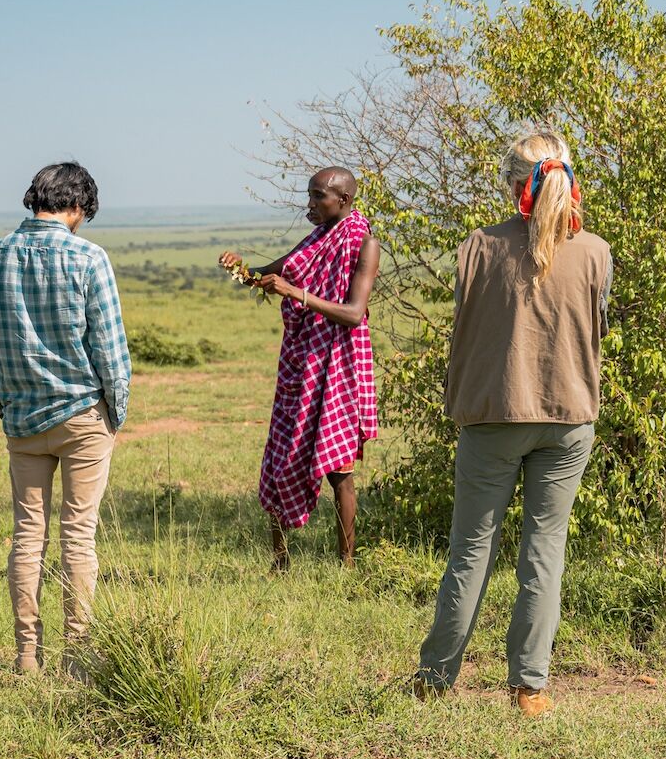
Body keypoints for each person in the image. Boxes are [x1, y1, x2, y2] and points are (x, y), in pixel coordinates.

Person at [414, 124, 612, 717]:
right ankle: (531, 687)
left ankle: (434, 680)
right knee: (544, 553)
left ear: (513, 186)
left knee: (471, 551)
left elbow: (469, 325)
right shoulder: (596, 252)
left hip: (492, 413)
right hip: (568, 415)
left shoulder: (478, 246)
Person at [0, 162, 130, 676]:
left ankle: (26, 655)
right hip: (83, 412)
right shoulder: (89, 257)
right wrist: (114, 412)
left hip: (22, 418)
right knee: (78, 534)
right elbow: (109, 347)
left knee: (27, 534)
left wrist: (9, 407)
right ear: (79, 207)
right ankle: (78, 655)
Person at [220, 167, 380, 571]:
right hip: (300, 365)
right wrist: (241, 269)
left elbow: (353, 313)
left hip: (339, 368)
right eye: (309, 196)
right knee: (280, 459)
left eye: (317, 196)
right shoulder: (315, 242)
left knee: (339, 473)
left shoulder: (364, 245)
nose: (310, 204)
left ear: (343, 200)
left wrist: (296, 293)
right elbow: (267, 275)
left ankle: (346, 565)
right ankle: (280, 561)